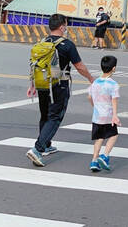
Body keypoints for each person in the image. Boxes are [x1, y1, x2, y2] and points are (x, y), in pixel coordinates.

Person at [26, 14, 95, 167]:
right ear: (62, 27)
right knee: (55, 117)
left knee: (45, 115)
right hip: (59, 85)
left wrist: (32, 86)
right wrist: (91, 78)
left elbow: (36, 65)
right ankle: (37, 149)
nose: (66, 27)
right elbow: (79, 66)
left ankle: (47, 144)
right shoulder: (67, 44)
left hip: (42, 84)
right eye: (66, 24)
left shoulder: (42, 42)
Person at [88, 55, 121, 172]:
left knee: (99, 138)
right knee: (113, 135)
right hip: (108, 116)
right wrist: (115, 115)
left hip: (97, 116)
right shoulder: (113, 84)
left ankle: (94, 161)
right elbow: (114, 100)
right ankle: (105, 156)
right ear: (114, 68)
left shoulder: (95, 82)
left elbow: (89, 97)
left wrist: (95, 106)